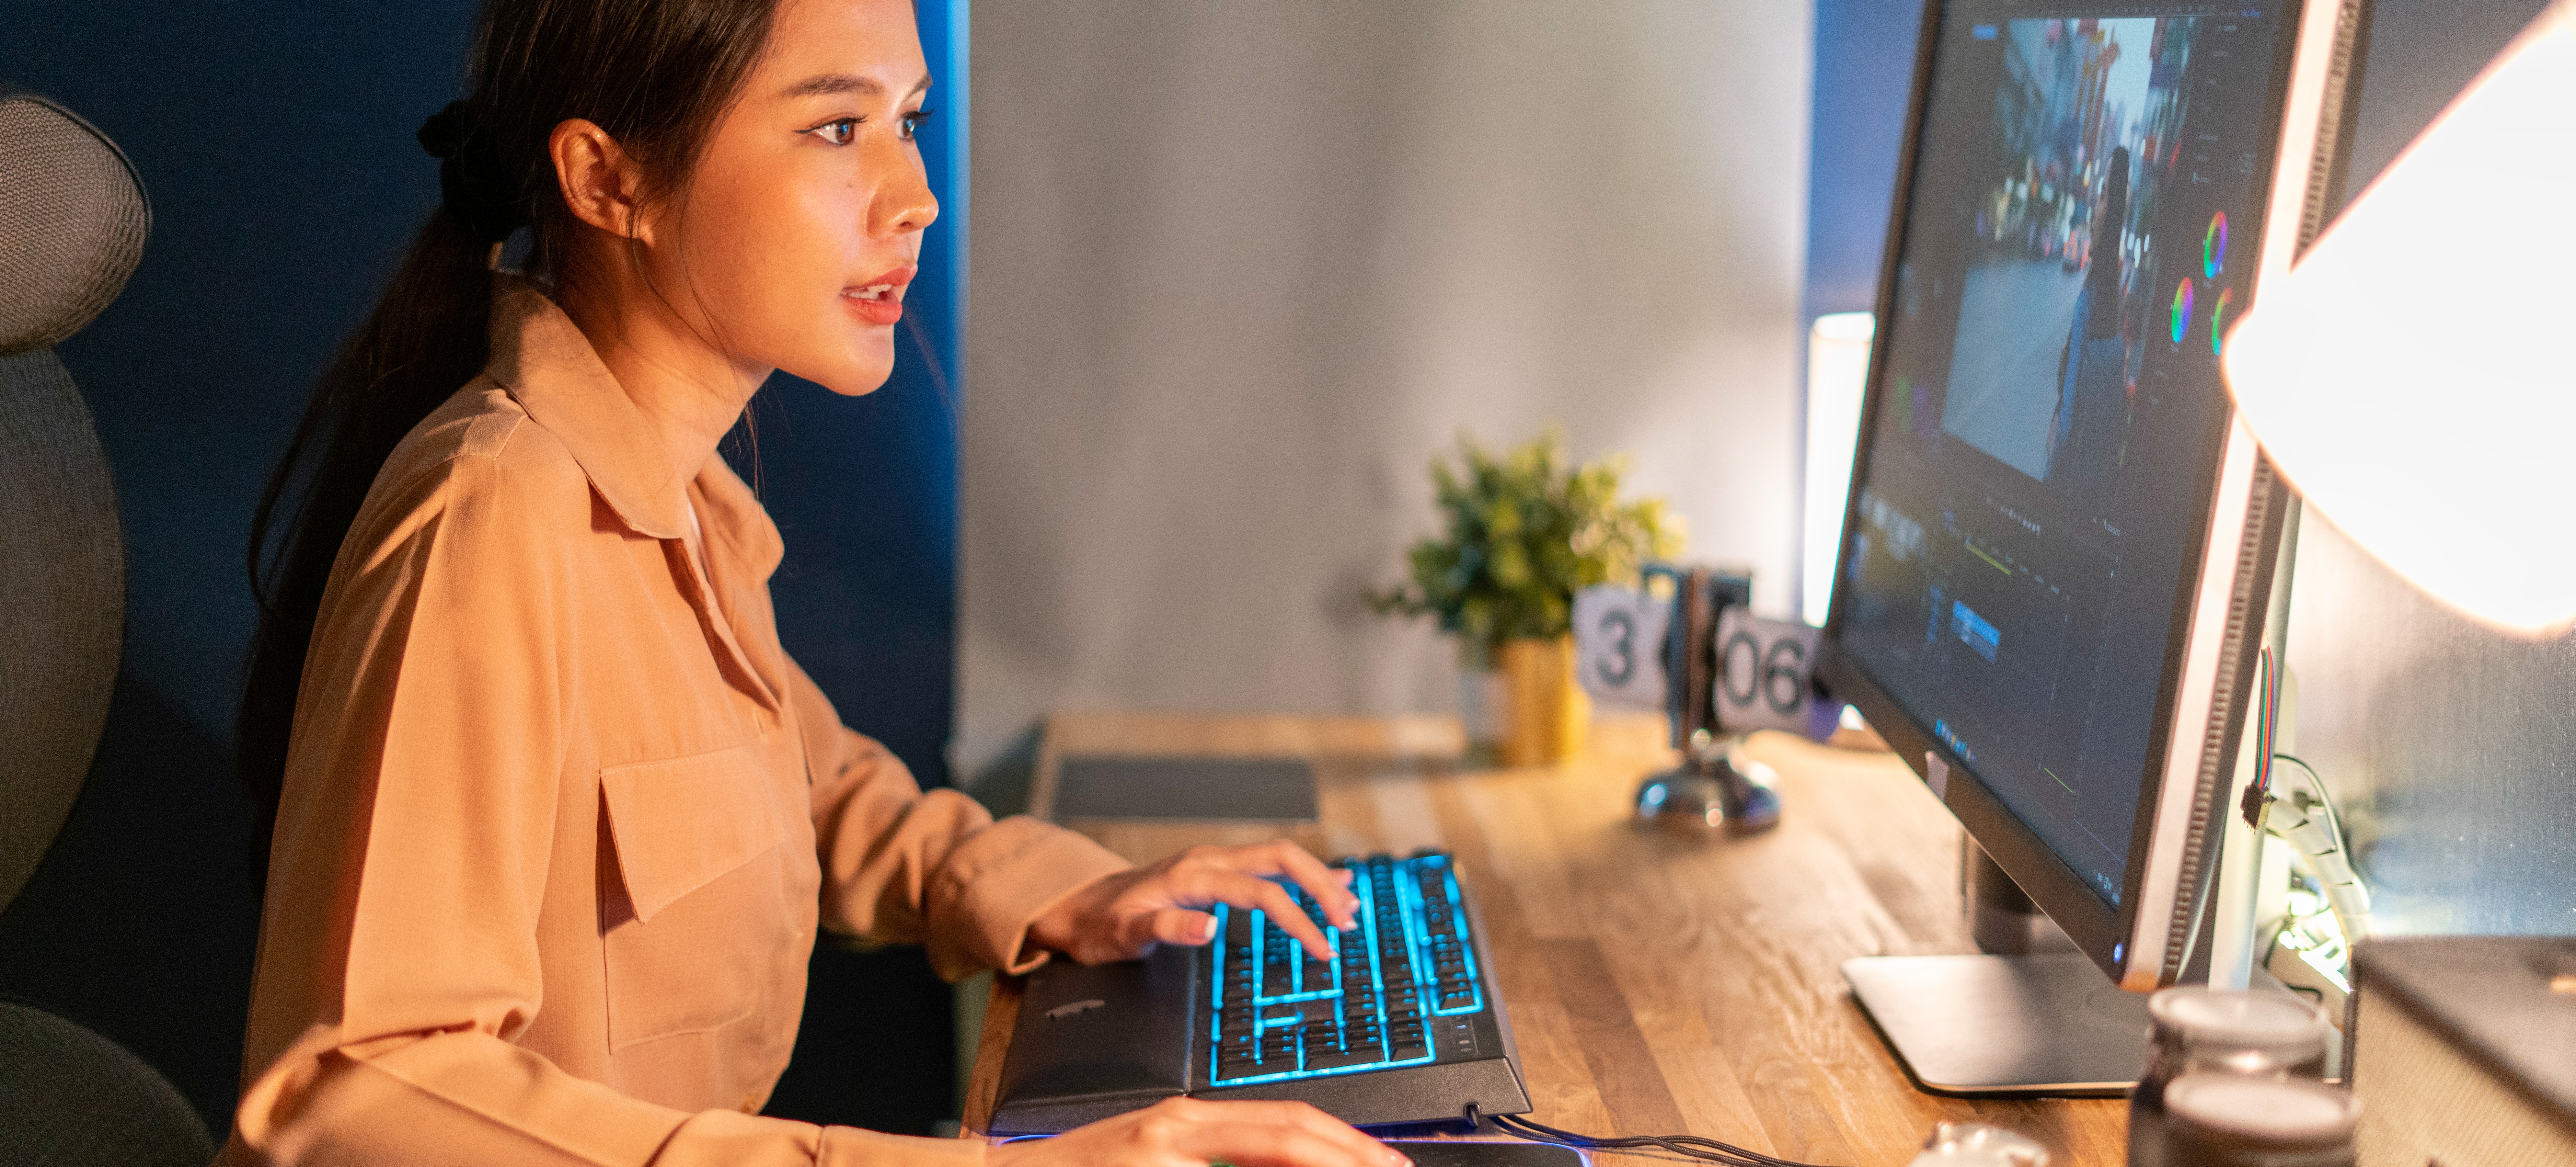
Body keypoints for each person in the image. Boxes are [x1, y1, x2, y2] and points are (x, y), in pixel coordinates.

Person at [223, 2, 1405, 1164]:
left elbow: (811, 786)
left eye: (910, 120)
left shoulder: (686, 502)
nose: (915, 196)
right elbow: (354, 1092)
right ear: (607, 180)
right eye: (838, 129)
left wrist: (1066, 891)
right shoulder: (493, 521)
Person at [2044, 144, 2132, 514]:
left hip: (2065, 484)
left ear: (2110, 211)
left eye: (2101, 197)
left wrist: (2045, 481)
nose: (2095, 210)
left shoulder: (2088, 302)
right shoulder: (2114, 300)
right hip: (2093, 488)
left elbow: (2066, 421)